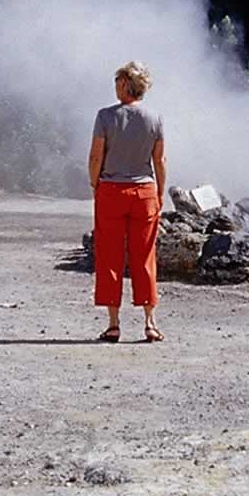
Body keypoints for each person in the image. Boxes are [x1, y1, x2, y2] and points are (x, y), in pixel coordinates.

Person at [88, 60, 166, 343]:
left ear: (124, 85)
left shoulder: (105, 117)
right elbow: (159, 160)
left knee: (109, 256)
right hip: (144, 191)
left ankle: (113, 324)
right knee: (144, 256)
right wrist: (159, 193)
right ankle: (150, 322)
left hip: (111, 190)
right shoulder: (155, 118)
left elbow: (96, 156)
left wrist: (94, 183)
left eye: (117, 81)